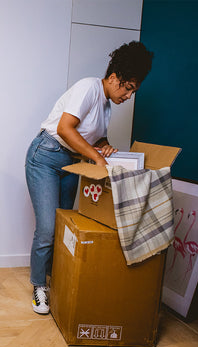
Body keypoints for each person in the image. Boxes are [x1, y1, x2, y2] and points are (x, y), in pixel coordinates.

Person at [25, 41, 154, 314]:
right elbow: (65, 128)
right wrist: (97, 158)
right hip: (46, 156)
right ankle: (39, 286)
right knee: (47, 228)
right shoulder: (89, 87)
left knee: (63, 225)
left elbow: (91, 133)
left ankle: (53, 279)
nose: (129, 95)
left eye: (134, 90)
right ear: (115, 77)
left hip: (71, 162)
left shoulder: (106, 104)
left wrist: (104, 145)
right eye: (128, 87)